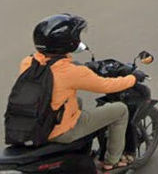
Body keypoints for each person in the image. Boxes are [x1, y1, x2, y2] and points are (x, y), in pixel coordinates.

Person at [21, 14, 140, 171]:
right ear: (67, 42)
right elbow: (106, 86)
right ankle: (113, 161)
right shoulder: (72, 73)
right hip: (60, 131)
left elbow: (56, 71)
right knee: (120, 110)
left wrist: (80, 67)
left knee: (77, 102)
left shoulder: (28, 62)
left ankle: (81, 148)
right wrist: (133, 78)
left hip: (32, 123)